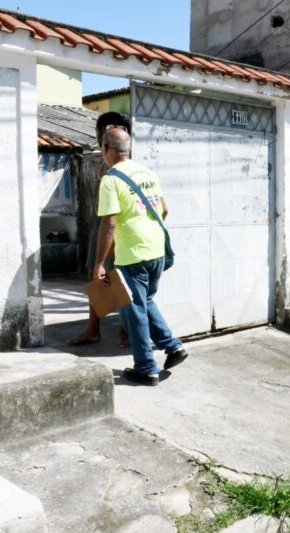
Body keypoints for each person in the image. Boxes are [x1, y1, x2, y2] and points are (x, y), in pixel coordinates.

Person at [94, 127, 189, 386]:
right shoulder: (147, 172)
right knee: (145, 301)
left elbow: (109, 224)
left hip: (133, 254)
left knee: (134, 310)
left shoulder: (111, 179)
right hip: (156, 249)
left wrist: (99, 263)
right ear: (128, 149)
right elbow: (165, 210)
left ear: (105, 149)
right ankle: (173, 347)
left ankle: (146, 368)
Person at [68, 112, 130, 347]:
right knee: (95, 278)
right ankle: (93, 329)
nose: (104, 135)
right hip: (101, 222)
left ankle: (125, 330)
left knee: (120, 278)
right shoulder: (105, 160)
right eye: (102, 130)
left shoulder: (124, 159)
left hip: (116, 225)